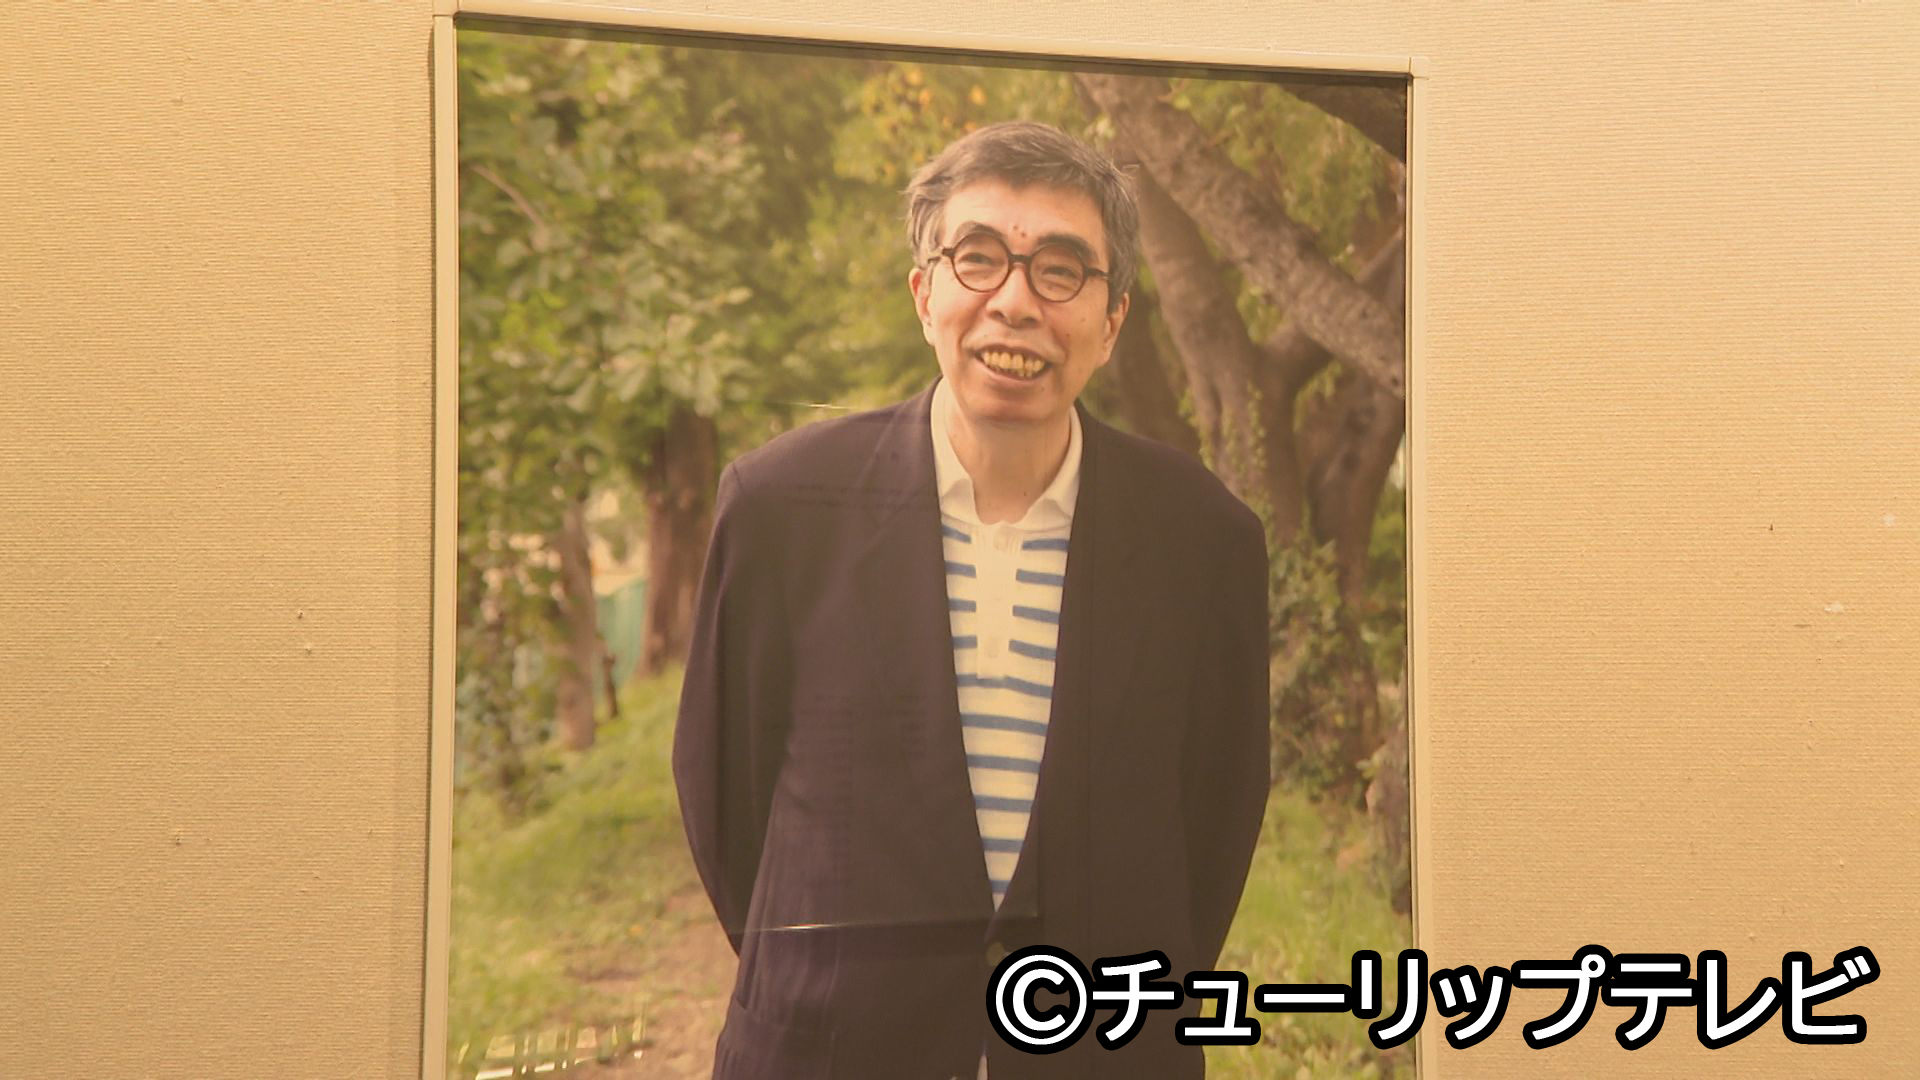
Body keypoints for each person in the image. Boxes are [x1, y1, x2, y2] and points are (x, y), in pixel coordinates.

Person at [674, 120, 1271, 1079]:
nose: (1015, 303)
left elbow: (1218, 814)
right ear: (925, 293)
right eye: (979, 258)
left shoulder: (1205, 540)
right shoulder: (782, 508)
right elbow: (724, 797)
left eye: (1061, 272)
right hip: (831, 1052)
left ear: (1112, 321)